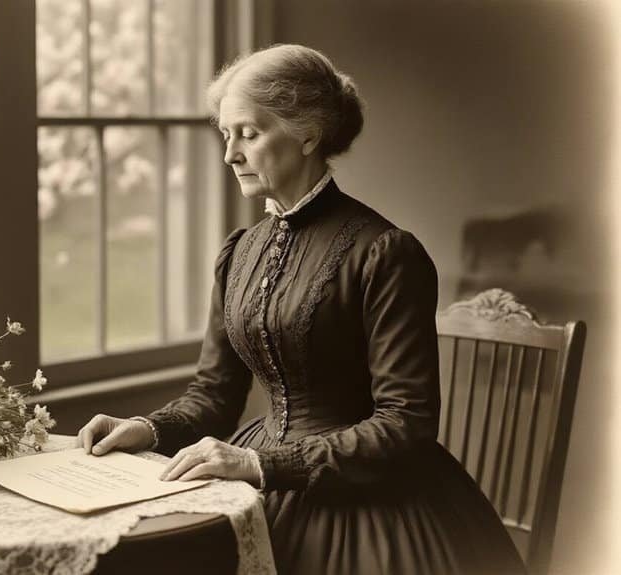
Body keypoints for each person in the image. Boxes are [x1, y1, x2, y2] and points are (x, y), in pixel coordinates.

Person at [75, 44, 526, 575]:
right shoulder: (240, 251)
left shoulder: (385, 252)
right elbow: (215, 394)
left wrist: (260, 464)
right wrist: (146, 429)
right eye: (226, 134)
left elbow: (407, 422)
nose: (230, 155)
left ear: (308, 134)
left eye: (249, 133)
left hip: (371, 498)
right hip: (253, 476)